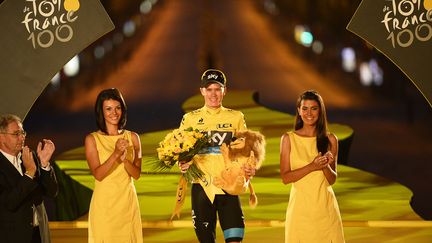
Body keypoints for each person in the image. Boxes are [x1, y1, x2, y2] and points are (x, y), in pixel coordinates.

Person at [179, 69, 255, 243]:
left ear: (224, 91)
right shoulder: (189, 119)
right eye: (209, 89)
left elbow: (243, 151)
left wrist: (248, 168)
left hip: (228, 186)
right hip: (202, 188)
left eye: (217, 89)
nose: (213, 94)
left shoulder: (236, 117)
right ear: (202, 91)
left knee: (235, 239)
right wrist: (182, 163)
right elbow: (180, 150)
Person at [279, 90, 345, 243]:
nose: (309, 113)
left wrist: (324, 166)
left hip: (326, 213)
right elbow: (285, 177)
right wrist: (312, 166)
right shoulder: (288, 139)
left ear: (320, 111)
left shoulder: (331, 139)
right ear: (299, 111)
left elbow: (332, 180)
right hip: (300, 214)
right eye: (305, 108)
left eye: (314, 108)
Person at [85, 88, 143, 243]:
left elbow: (136, 175)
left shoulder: (133, 137)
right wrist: (116, 154)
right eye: (108, 109)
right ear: (101, 112)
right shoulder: (92, 139)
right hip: (104, 207)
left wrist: (124, 160)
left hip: (127, 205)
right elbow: (98, 174)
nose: (114, 113)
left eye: (118, 108)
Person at [0, 114, 58, 243]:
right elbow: (9, 203)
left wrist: (44, 165)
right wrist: (30, 173)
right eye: (16, 134)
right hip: (13, 236)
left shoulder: (29, 156)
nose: (22, 137)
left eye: (23, 132)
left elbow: (51, 192)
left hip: (39, 234)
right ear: (1, 136)